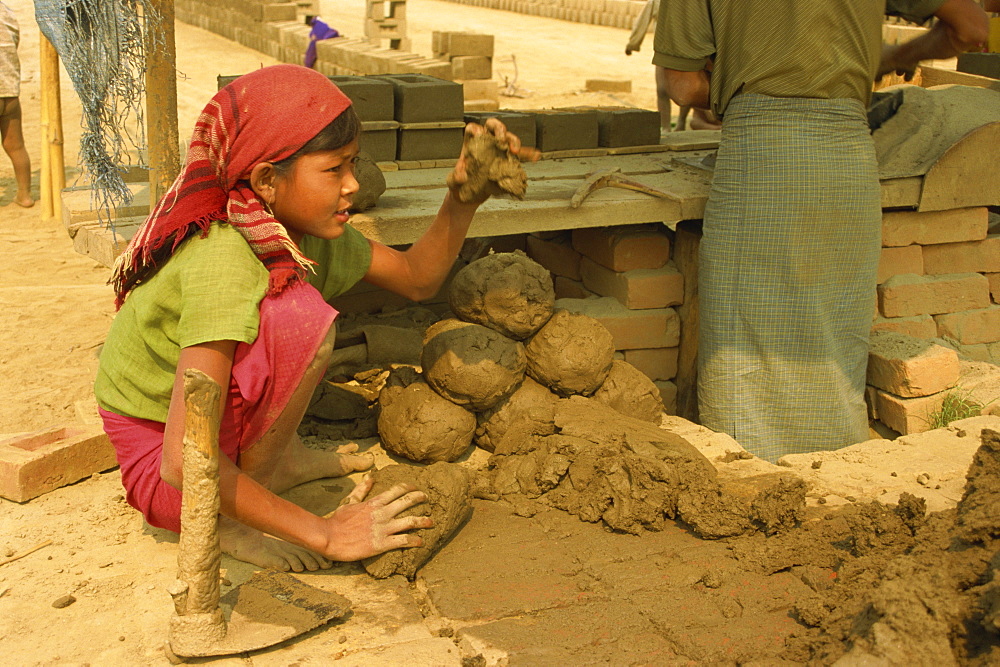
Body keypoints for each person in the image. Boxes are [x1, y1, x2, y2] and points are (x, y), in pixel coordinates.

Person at [95, 64, 538, 571]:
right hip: (167, 468)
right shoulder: (221, 263)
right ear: (266, 179)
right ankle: (231, 519)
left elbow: (416, 277)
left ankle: (274, 466)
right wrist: (326, 534)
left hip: (208, 442)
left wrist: (462, 200)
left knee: (295, 317)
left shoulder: (292, 235)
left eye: (354, 165)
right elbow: (181, 461)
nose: (352, 185)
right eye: (334, 170)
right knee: (300, 320)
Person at [653, 0, 988, 462]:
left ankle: (751, 487)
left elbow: (684, 84)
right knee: (833, 339)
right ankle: (835, 475)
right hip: (846, 160)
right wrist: (888, 58)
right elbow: (972, 26)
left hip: (762, 158)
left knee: (742, 344)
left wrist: (745, 82)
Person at [625, 0, 720, 133]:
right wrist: (633, 44)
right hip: (665, 50)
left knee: (688, 87)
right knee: (662, 90)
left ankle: (681, 121)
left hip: (690, 49)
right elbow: (642, 21)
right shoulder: (657, 2)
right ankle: (665, 126)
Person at [0, 1, 32, 207]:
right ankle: (25, 195)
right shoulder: (5, 12)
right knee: (16, 145)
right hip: (9, 89)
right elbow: (15, 39)